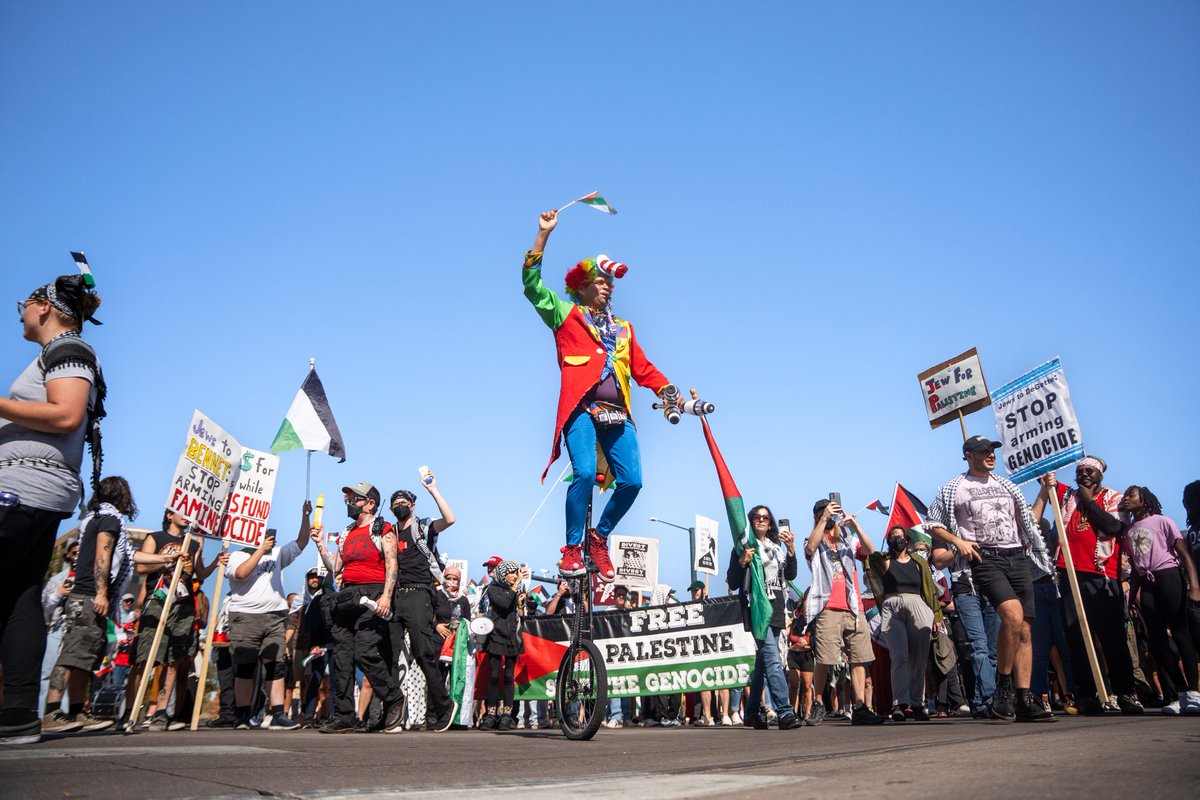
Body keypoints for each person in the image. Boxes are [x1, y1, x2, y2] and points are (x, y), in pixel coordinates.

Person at [521, 209, 679, 581]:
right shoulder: (566, 314)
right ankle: (572, 548)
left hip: (617, 414)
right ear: (581, 286)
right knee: (585, 473)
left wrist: (668, 390)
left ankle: (599, 537)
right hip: (580, 410)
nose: (607, 286)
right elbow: (531, 285)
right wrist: (543, 235)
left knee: (633, 481)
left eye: (610, 282)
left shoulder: (624, 329)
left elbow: (644, 369)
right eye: (599, 280)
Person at [1, 272, 105, 745]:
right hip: (37, 494)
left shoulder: (68, 350)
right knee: (21, 601)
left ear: (44, 307)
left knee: (19, 599)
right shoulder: (60, 352)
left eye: (24, 302)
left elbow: (66, 413)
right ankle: (18, 715)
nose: (18, 310)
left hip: (19, 492)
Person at [927, 435, 1054, 723]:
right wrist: (957, 541)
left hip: (1016, 556)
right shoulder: (954, 488)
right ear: (968, 455)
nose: (991, 454)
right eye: (985, 450)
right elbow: (932, 523)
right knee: (1011, 614)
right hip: (986, 558)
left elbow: (1028, 522)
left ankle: (1023, 698)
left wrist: (1045, 493)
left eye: (993, 450)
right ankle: (1003, 688)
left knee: (1024, 629)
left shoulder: (1007, 485)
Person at [1032, 460, 1142, 715]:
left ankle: (1126, 693)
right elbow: (1042, 474)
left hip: (1101, 576)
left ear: (1100, 475)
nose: (1083, 475)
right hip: (1069, 574)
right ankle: (1088, 694)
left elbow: (1114, 527)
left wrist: (1088, 499)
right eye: (1079, 472)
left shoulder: (1113, 497)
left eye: (1089, 472)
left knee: (1112, 637)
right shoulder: (1066, 495)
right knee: (1076, 637)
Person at [40, 476, 137, 734]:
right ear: (122, 496)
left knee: (84, 657)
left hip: (85, 595)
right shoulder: (110, 519)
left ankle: (76, 712)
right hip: (89, 596)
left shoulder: (93, 517)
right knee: (72, 654)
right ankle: (52, 712)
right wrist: (102, 592)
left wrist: (165, 558)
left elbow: (130, 556)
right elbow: (103, 555)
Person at [312, 482, 404, 734]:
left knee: (364, 651)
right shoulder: (347, 532)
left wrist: (387, 596)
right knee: (341, 657)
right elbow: (335, 565)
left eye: (355, 499)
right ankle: (344, 715)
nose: (349, 503)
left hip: (372, 595)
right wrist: (320, 544)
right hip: (347, 596)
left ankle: (393, 697)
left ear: (370, 503)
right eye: (348, 499)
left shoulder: (382, 529)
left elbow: (391, 563)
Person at [124, 509, 225, 731]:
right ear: (170, 515)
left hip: (183, 605)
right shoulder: (156, 538)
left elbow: (199, 573)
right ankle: (129, 710)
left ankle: (161, 711)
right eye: (182, 512)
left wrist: (216, 562)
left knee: (173, 660)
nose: (187, 516)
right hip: (158, 600)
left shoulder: (193, 544)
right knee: (145, 656)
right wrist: (168, 561)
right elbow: (141, 567)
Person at [226, 500, 313, 730]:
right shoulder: (237, 555)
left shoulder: (276, 554)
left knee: (275, 665)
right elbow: (242, 574)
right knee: (245, 667)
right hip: (246, 616)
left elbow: (301, 543)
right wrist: (260, 551)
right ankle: (243, 715)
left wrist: (305, 516)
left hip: (274, 615)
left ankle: (277, 714)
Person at [1118, 485, 1200, 714]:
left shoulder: (1162, 521)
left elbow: (1184, 554)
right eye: (1125, 495)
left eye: (1131, 495)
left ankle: (1195, 693)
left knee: (1180, 632)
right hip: (1147, 583)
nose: (1126, 498)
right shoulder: (1129, 530)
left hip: (1168, 576)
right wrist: (1132, 596)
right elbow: (1134, 566)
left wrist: (1194, 586)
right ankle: (1180, 694)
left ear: (1143, 499)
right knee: (1157, 640)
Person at [803, 499, 885, 726]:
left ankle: (860, 707)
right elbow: (810, 548)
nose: (829, 516)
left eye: (832, 512)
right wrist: (823, 519)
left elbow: (870, 550)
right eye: (823, 513)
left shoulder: (848, 539)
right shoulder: (814, 541)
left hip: (853, 605)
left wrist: (855, 526)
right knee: (825, 658)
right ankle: (818, 702)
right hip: (827, 606)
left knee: (859, 659)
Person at [386, 480, 457, 732]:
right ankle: (391, 712)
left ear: (413, 505)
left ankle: (444, 706)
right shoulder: (390, 531)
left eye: (403, 503)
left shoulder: (423, 526)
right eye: (395, 504)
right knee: (389, 654)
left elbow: (449, 519)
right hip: (396, 597)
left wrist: (433, 489)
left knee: (423, 654)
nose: (399, 506)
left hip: (420, 594)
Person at [728, 505, 799, 729]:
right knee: (773, 659)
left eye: (765, 518)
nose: (761, 520)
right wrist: (742, 562)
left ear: (770, 523)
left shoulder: (775, 547)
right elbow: (732, 581)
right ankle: (785, 711)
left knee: (762, 663)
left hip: (777, 606)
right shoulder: (744, 547)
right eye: (757, 517)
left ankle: (750, 713)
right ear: (750, 521)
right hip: (757, 607)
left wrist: (790, 549)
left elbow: (790, 575)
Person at [865, 527, 942, 721]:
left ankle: (917, 703)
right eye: (892, 536)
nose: (896, 539)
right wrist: (857, 527)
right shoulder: (884, 561)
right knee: (899, 656)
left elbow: (930, 590)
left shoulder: (919, 562)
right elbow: (869, 556)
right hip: (892, 606)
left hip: (918, 604)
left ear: (907, 541)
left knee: (919, 658)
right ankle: (900, 703)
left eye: (899, 536)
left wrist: (937, 615)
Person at [478, 560, 524, 731]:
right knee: (495, 675)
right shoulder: (493, 588)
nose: (515, 576)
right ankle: (491, 714)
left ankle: (507, 714)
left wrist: (521, 603)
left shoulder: (517, 589)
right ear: (503, 573)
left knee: (509, 676)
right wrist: (515, 587)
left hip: (511, 635)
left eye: (516, 573)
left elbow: (520, 613)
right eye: (512, 572)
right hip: (496, 635)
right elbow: (503, 604)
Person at [40, 538, 79, 714]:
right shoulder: (58, 580)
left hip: (76, 631)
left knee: (68, 675)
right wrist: (58, 594)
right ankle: (42, 715)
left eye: (81, 552)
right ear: (68, 556)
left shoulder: (88, 578)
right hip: (56, 629)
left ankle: (62, 715)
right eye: (74, 553)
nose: (78, 556)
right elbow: (45, 609)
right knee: (48, 674)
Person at [786, 603, 815, 724]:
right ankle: (793, 712)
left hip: (807, 655)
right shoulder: (794, 619)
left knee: (807, 686)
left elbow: (814, 637)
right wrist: (798, 639)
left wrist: (807, 641)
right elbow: (788, 635)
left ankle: (808, 713)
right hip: (793, 655)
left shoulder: (814, 619)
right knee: (793, 685)